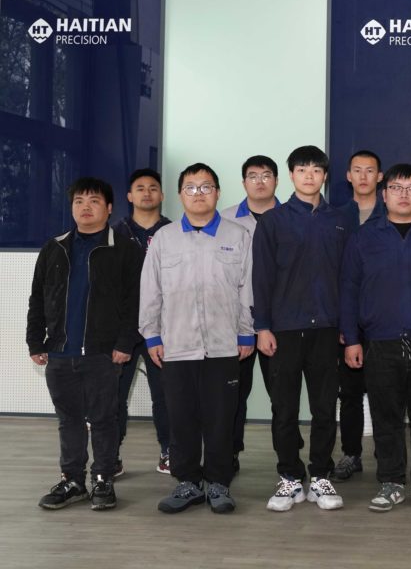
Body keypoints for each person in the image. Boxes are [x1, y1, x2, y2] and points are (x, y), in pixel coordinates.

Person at [140, 163, 254, 514]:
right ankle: (187, 482)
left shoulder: (238, 236)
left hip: (224, 344)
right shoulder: (164, 238)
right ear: (180, 195)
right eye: (190, 188)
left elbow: (248, 288)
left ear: (217, 192)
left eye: (206, 187)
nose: (198, 193)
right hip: (177, 344)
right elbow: (151, 290)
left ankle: (219, 482)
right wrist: (152, 335)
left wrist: (246, 331)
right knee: (182, 417)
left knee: (222, 418)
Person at [341, 163, 411, 514]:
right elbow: (349, 289)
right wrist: (352, 339)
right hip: (380, 342)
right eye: (397, 188)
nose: (404, 195)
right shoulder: (364, 237)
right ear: (384, 194)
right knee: (385, 417)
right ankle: (390, 481)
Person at [29, 177, 143, 511]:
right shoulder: (54, 248)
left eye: (94, 201)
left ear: (109, 208)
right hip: (60, 352)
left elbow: (135, 302)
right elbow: (38, 298)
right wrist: (35, 341)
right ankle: (73, 480)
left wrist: (125, 342)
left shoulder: (125, 249)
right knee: (69, 420)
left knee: (104, 419)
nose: (85, 207)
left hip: (102, 353)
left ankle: (103, 478)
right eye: (79, 201)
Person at [252, 145, 347, 512]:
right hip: (284, 330)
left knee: (324, 408)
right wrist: (262, 327)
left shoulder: (339, 220)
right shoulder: (273, 221)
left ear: (325, 175)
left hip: (327, 328)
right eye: (302, 169)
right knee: (284, 409)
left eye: (317, 170)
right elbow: (262, 278)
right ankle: (290, 477)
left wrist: (347, 326)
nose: (310, 175)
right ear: (291, 175)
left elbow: (348, 278)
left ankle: (320, 475)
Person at [221, 155, 280, 474]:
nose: (260, 181)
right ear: (243, 182)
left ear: (276, 181)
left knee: (282, 396)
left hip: (278, 322)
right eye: (253, 176)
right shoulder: (225, 220)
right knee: (233, 394)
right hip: (235, 322)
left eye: (266, 175)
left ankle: (286, 459)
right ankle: (229, 453)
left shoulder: (289, 217)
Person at [112, 168, 172, 476]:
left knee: (166, 396)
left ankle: (170, 451)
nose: (146, 192)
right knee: (114, 397)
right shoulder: (114, 234)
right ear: (129, 196)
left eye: (152, 187)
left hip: (164, 328)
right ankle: (110, 455)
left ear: (162, 195)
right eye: (140, 188)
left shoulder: (175, 232)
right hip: (122, 328)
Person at [331, 150, 385, 482]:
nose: (363, 176)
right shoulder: (335, 217)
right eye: (357, 170)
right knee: (349, 392)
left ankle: (387, 455)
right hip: (348, 319)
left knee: (385, 391)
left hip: (383, 319)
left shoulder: (391, 214)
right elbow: (332, 273)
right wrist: (343, 322)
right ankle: (351, 454)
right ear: (348, 176)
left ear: (380, 177)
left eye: (370, 171)